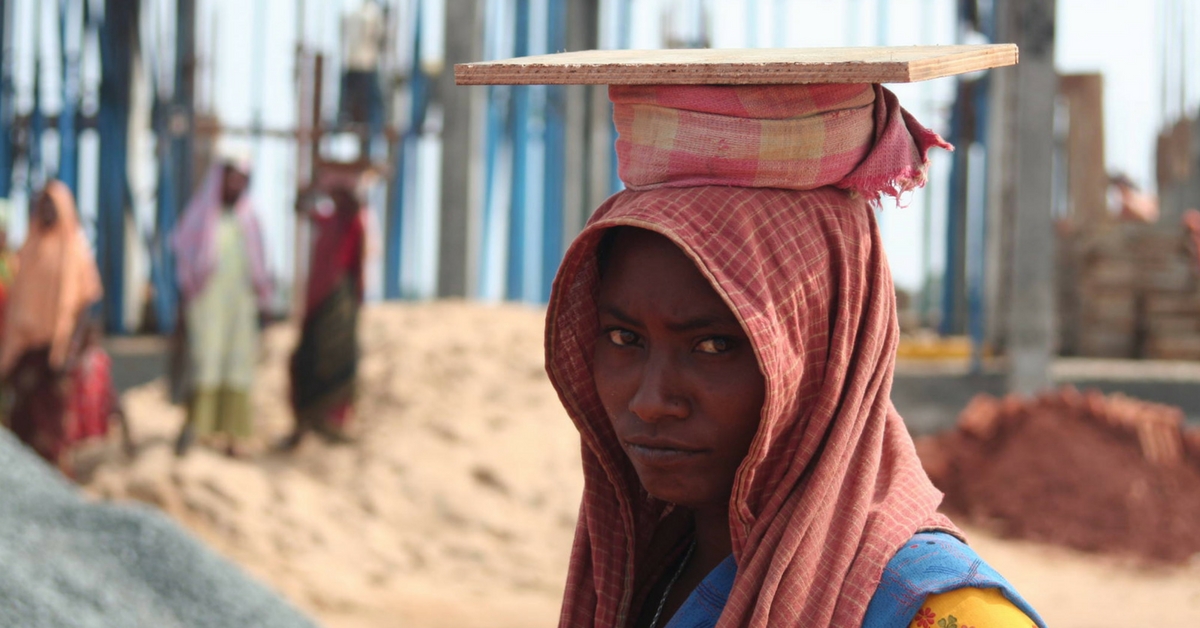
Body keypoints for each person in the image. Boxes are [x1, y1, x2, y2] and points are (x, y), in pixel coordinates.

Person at [539, 82, 1046, 627]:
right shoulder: (637, 575)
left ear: (825, 360)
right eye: (623, 339)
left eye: (714, 346)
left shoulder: (941, 613)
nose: (651, 401)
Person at [171, 151, 272, 457]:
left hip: (240, 308)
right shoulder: (202, 215)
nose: (237, 185)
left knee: (237, 365)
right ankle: (197, 430)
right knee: (206, 363)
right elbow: (182, 253)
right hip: (207, 307)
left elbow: (261, 265)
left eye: (242, 180)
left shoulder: (249, 218)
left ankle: (233, 436)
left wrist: (265, 303)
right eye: (233, 179)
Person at [0, 181, 102, 473]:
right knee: (22, 419)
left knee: (53, 427)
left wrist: (72, 347)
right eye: (41, 205)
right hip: (24, 351)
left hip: (55, 353)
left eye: (51, 206)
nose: (45, 211)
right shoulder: (28, 250)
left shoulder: (75, 251)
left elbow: (85, 300)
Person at [280, 176, 367, 450]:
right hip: (318, 304)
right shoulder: (329, 221)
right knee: (306, 362)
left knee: (337, 363)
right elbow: (300, 206)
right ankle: (304, 422)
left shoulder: (356, 224)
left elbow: (358, 268)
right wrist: (320, 185)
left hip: (338, 305)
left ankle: (333, 423)